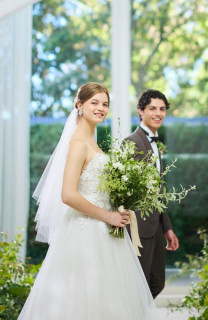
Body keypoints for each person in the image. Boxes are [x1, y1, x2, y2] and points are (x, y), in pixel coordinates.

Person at [18, 83, 160, 320]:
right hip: (85, 231)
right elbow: (68, 195)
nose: (101, 108)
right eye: (94, 102)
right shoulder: (77, 143)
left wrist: (118, 207)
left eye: (105, 104)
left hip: (105, 230)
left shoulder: (93, 142)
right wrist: (108, 216)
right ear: (79, 105)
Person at [125, 89, 179, 299]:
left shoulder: (156, 145)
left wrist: (167, 228)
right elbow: (124, 191)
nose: (158, 113)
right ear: (140, 111)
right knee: (138, 286)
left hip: (155, 226)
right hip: (137, 228)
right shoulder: (132, 142)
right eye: (152, 108)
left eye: (162, 109)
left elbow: (158, 192)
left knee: (156, 283)